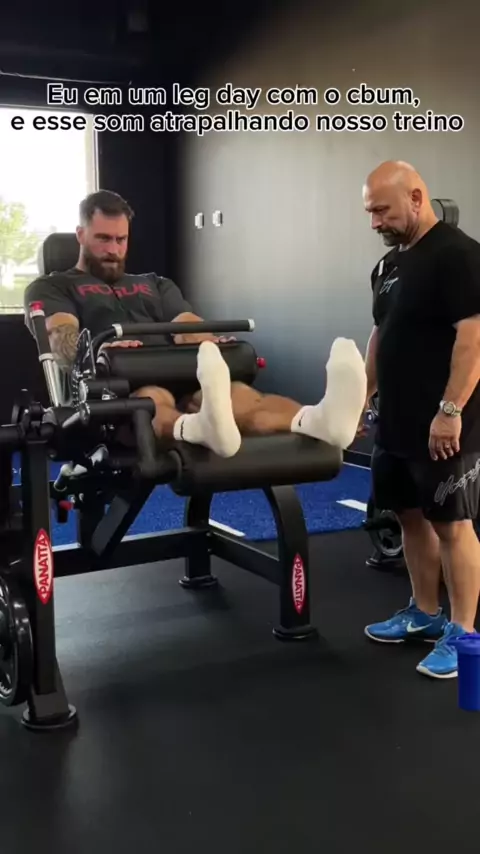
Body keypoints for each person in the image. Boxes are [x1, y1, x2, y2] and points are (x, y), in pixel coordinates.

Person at [24, 189, 367, 460]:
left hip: (180, 372)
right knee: (152, 398)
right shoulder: (53, 286)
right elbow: (60, 334)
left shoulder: (154, 283)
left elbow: (187, 323)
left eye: (121, 239)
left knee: (239, 397)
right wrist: (95, 351)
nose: (114, 249)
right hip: (119, 387)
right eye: (103, 239)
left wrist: (209, 344)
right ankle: (196, 427)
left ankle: (320, 420)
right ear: (80, 235)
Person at [361, 160, 480, 679]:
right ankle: (425, 612)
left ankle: (465, 633)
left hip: (446, 423)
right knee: (409, 516)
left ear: (415, 197)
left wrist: (450, 411)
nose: (375, 222)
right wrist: (362, 397)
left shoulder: (458, 255)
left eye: (382, 210)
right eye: (369, 212)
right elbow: (380, 335)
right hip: (397, 420)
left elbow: (474, 337)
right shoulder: (388, 265)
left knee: (452, 524)